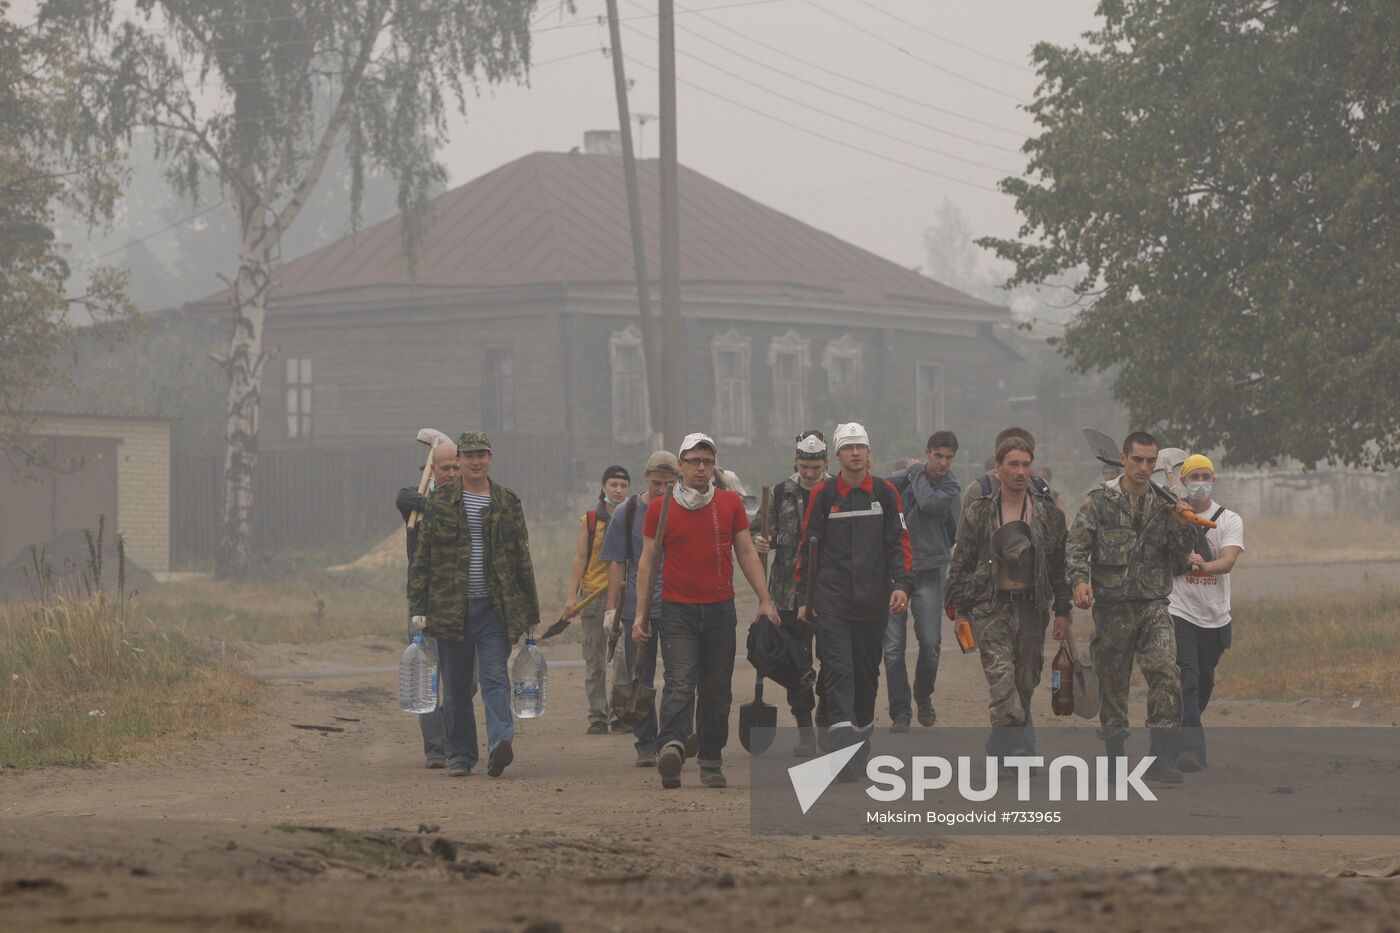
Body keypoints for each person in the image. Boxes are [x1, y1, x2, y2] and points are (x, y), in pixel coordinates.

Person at [633, 432, 781, 790]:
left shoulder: (729, 504)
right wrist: (640, 615)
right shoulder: (661, 507)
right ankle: (671, 746)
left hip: (719, 610)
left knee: (716, 689)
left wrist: (764, 598)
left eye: (707, 462)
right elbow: (648, 561)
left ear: (714, 466)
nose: (701, 468)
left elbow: (746, 553)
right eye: (694, 461)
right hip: (677, 610)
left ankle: (711, 761)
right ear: (681, 465)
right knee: (680, 682)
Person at [1066, 431, 1199, 784]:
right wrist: (1080, 581)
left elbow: (1179, 560)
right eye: (1137, 459)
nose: (1144, 467)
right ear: (1122, 459)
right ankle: (1115, 757)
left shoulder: (1165, 503)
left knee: (1166, 674)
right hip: (1112, 607)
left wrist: (1184, 527)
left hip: (1154, 604)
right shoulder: (1099, 501)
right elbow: (1077, 546)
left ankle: (1160, 756)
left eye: (1151, 461)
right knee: (1113, 683)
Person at [409, 431, 541, 779]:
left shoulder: (507, 502)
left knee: (496, 677)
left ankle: (500, 744)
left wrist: (530, 613)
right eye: (469, 456)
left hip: (493, 608)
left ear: (490, 458)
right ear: (461, 460)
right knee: (455, 687)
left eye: (481, 455)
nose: (475, 461)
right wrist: (418, 607)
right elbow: (423, 557)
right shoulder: (440, 503)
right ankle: (462, 756)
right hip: (450, 608)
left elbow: (521, 559)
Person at [796, 422, 913, 781]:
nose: (856, 453)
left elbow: (899, 544)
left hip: (872, 603)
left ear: (868, 451)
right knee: (839, 671)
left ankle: (859, 745)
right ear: (838, 454)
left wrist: (901, 585)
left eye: (860, 446)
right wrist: (805, 596)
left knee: (865, 677)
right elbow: (807, 548)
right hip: (832, 602)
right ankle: (842, 746)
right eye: (848, 448)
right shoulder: (825, 495)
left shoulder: (886, 493)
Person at [947, 436, 1071, 759]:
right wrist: (960, 611)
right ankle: (1012, 754)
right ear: (998, 469)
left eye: (1026, 464)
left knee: (1025, 685)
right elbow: (961, 562)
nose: (1020, 471)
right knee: (1002, 685)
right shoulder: (979, 512)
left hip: (1032, 610)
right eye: (1013, 464)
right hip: (991, 609)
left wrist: (1063, 610)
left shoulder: (1048, 515)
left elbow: (1060, 565)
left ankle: (999, 747)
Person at [752, 430, 831, 757]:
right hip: (785, 595)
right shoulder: (781, 493)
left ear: (825, 462)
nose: (809, 473)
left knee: (834, 663)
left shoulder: (836, 491)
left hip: (828, 595)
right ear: (796, 462)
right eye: (803, 466)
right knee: (796, 664)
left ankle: (827, 721)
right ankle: (805, 733)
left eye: (815, 466)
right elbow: (757, 530)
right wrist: (759, 540)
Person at [600, 451, 681, 767]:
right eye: (657, 483)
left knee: (680, 677)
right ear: (646, 477)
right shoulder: (628, 511)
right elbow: (618, 563)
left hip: (677, 605)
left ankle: (674, 737)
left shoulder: (683, 510)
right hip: (637, 607)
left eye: (669, 484)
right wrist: (612, 611)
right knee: (640, 677)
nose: (662, 490)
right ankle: (646, 743)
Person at [1167, 454, 1243, 773]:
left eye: (1205, 476)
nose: (1200, 482)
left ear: (1213, 480)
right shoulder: (1172, 517)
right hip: (1180, 611)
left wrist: (1203, 565)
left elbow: (1227, 561)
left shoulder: (1229, 519)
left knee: (1204, 684)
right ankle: (1192, 753)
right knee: (1189, 680)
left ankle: (1175, 734)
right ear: (1183, 482)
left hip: (1216, 617)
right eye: (1193, 477)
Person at [883, 430, 961, 731]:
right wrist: (910, 473)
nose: (942, 463)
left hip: (929, 572)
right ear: (927, 452)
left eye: (948, 458)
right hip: (895, 571)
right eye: (937, 456)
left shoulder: (950, 485)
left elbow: (930, 503)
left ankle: (923, 694)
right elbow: (885, 491)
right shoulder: (902, 477)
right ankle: (900, 712)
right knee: (893, 647)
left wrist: (916, 471)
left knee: (930, 643)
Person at [394, 442, 457, 768]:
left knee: (465, 677)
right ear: (431, 472)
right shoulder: (415, 504)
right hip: (421, 600)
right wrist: (431, 506)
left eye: (453, 469)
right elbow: (403, 496)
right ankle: (435, 749)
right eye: (443, 469)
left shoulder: (464, 502)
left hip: (457, 599)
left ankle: (449, 731)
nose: (449, 474)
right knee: (425, 673)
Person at [563, 465, 632, 735]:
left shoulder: (633, 516)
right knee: (595, 661)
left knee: (624, 659)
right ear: (603, 487)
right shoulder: (591, 520)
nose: (618, 490)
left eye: (623, 485)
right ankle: (597, 717)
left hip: (624, 597)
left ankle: (619, 715)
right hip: (593, 597)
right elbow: (580, 558)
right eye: (613, 484)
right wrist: (571, 596)